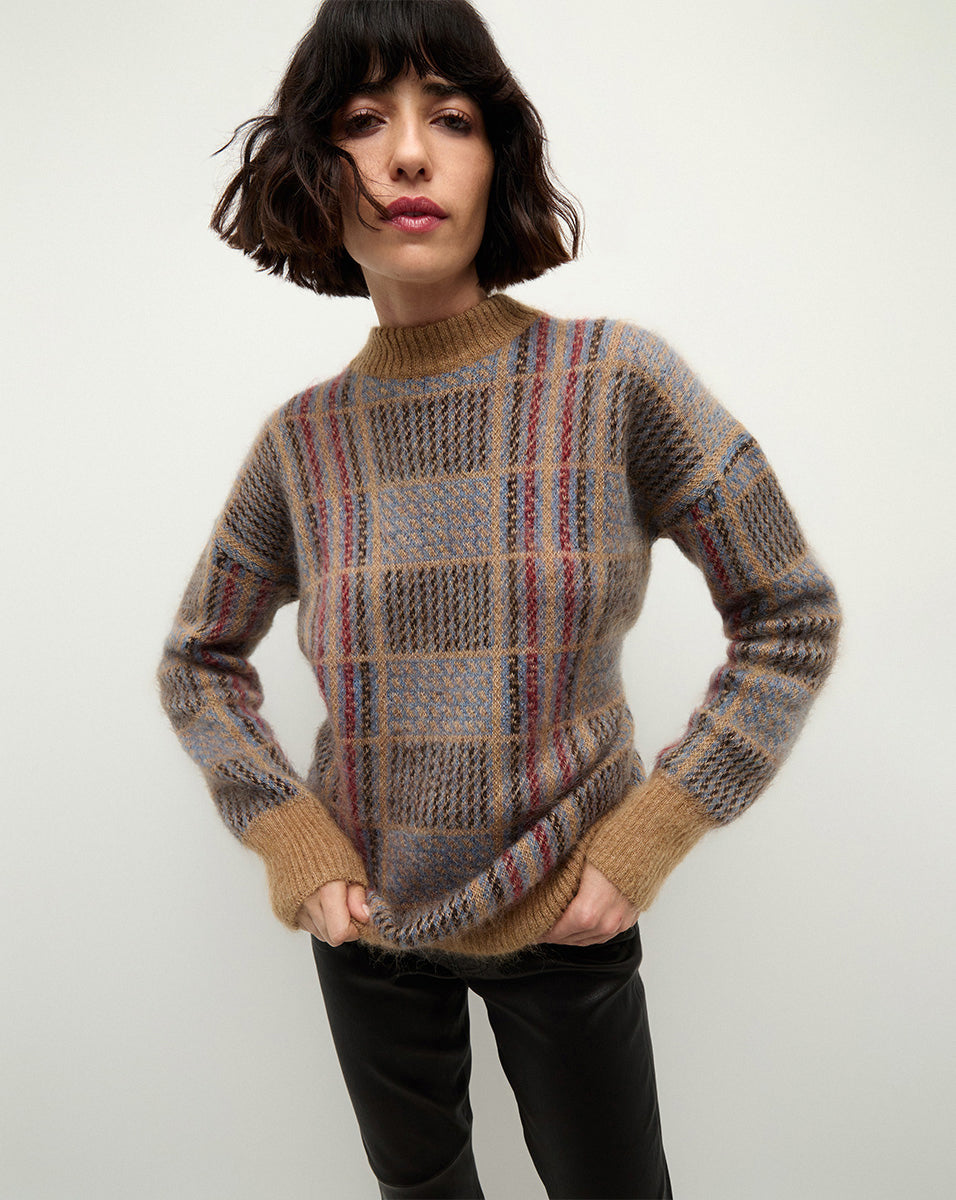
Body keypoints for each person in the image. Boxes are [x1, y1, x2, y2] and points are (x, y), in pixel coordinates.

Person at [157, 1, 842, 1196]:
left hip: (565, 912)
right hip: (367, 932)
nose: (406, 155)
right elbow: (198, 661)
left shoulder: (615, 380)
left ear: (497, 158)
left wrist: (648, 835)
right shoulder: (300, 444)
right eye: (360, 121)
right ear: (315, 170)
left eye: (451, 119)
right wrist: (290, 836)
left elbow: (790, 618)